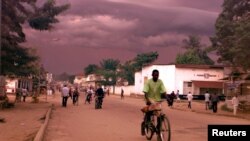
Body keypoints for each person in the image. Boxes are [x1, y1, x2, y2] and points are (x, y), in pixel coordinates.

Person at [141, 69, 167, 135]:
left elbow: (163, 91)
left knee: (160, 115)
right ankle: (148, 123)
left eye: (157, 75)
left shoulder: (160, 82)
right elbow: (145, 92)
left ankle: (158, 127)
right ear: (152, 75)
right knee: (149, 112)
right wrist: (148, 100)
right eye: (155, 75)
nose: (156, 76)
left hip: (157, 100)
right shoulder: (148, 82)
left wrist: (168, 98)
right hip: (149, 99)